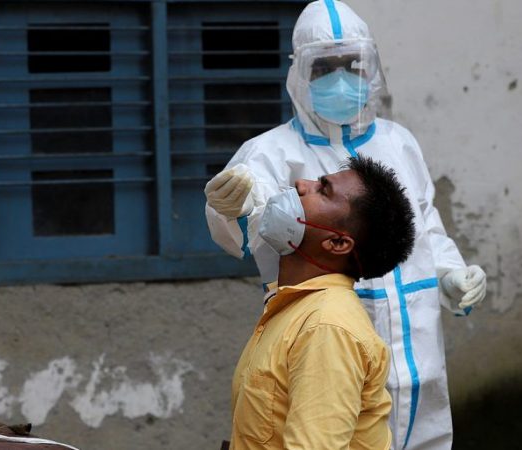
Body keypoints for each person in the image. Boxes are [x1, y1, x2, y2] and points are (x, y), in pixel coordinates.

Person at [206, 1, 487, 448]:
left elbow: (425, 226)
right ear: (301, 73)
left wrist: (448, 274)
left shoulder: (400, 142)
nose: (341, 78)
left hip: (418, 351)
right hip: (329, 349)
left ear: (371, 65)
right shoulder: (272, 151)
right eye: (325, 67)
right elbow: (249, 206)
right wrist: (231, 206)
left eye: (352, 64)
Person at [230, 157, 416, 450]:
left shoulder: (327, 327)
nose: (301, 184)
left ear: (338, 243)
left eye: (322, 190)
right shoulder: (294, 306)